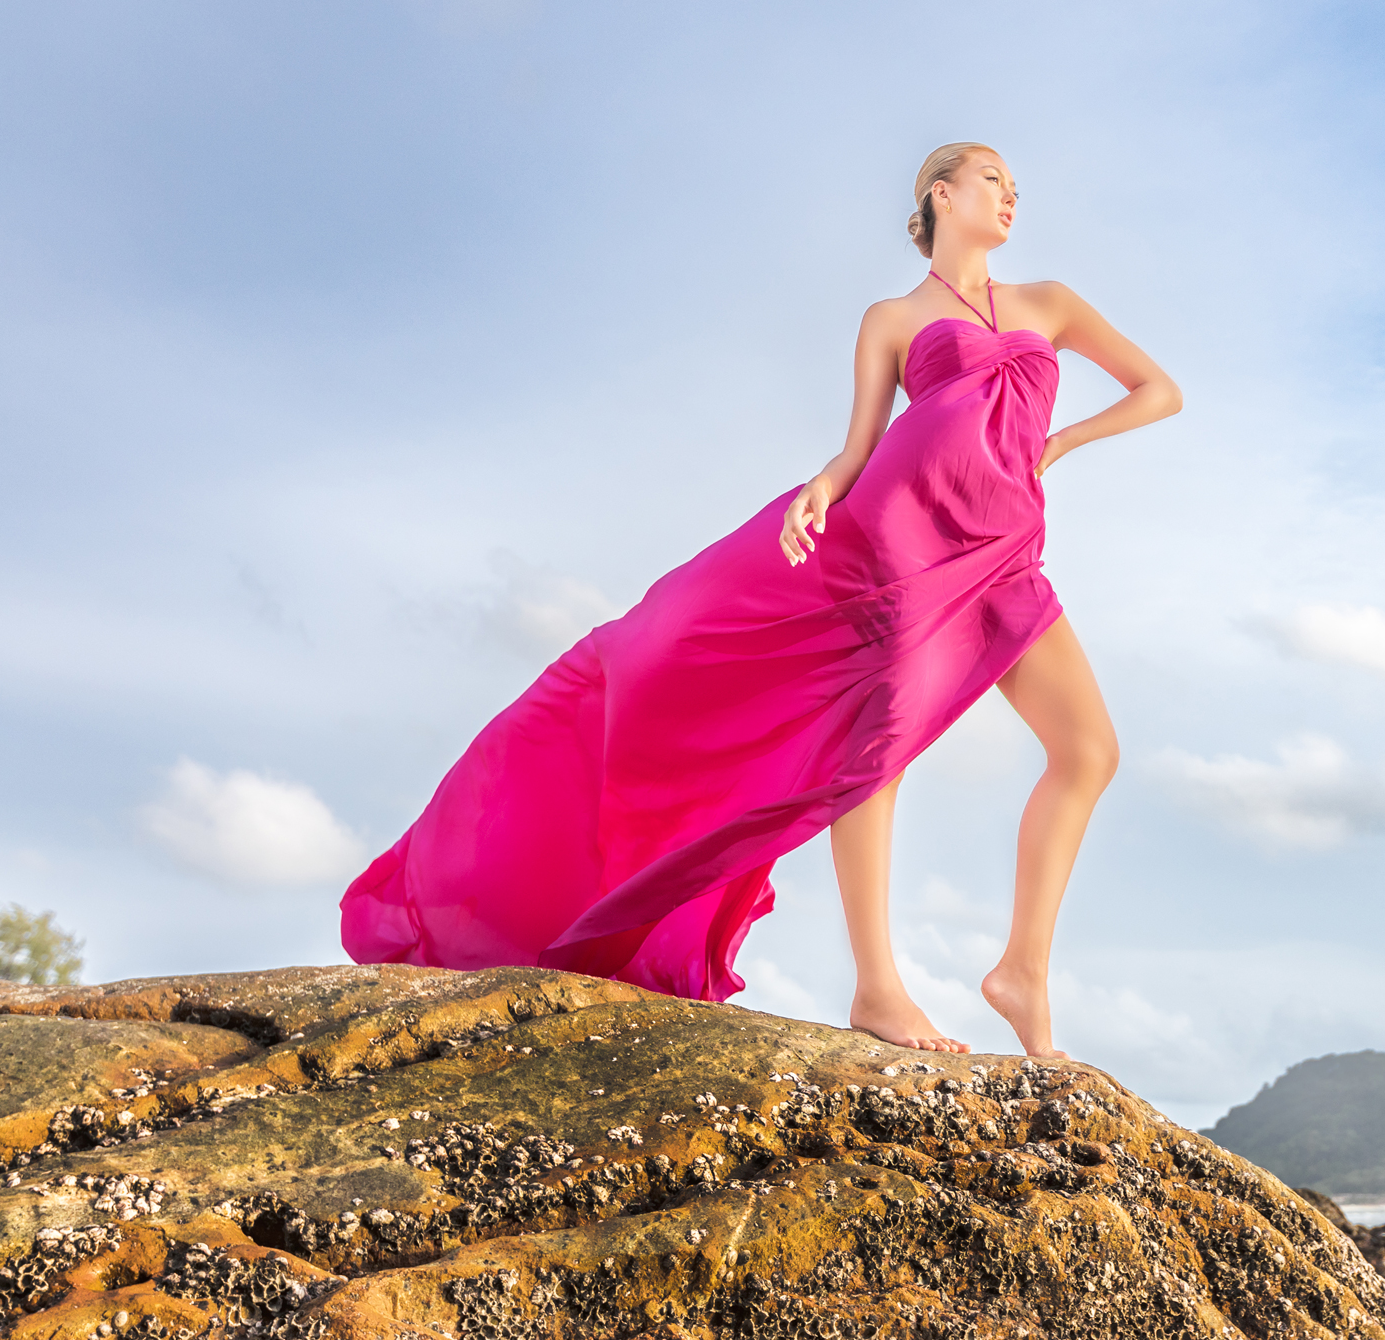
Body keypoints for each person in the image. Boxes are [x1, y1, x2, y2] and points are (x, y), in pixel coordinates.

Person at [340, 143, 1180, 1059]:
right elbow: (858, 446)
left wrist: (1056, 446)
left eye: (1016, 188)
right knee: (875, 750)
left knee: (1088, 750)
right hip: (899, 541)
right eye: (991, 179)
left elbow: (1158, 391)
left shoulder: (1047, 302)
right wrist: (822, 488)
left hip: (1004, 544)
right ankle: (878, 988)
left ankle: (1021, 970)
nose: (1010, 195)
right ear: (940, 193)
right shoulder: (892, 318)